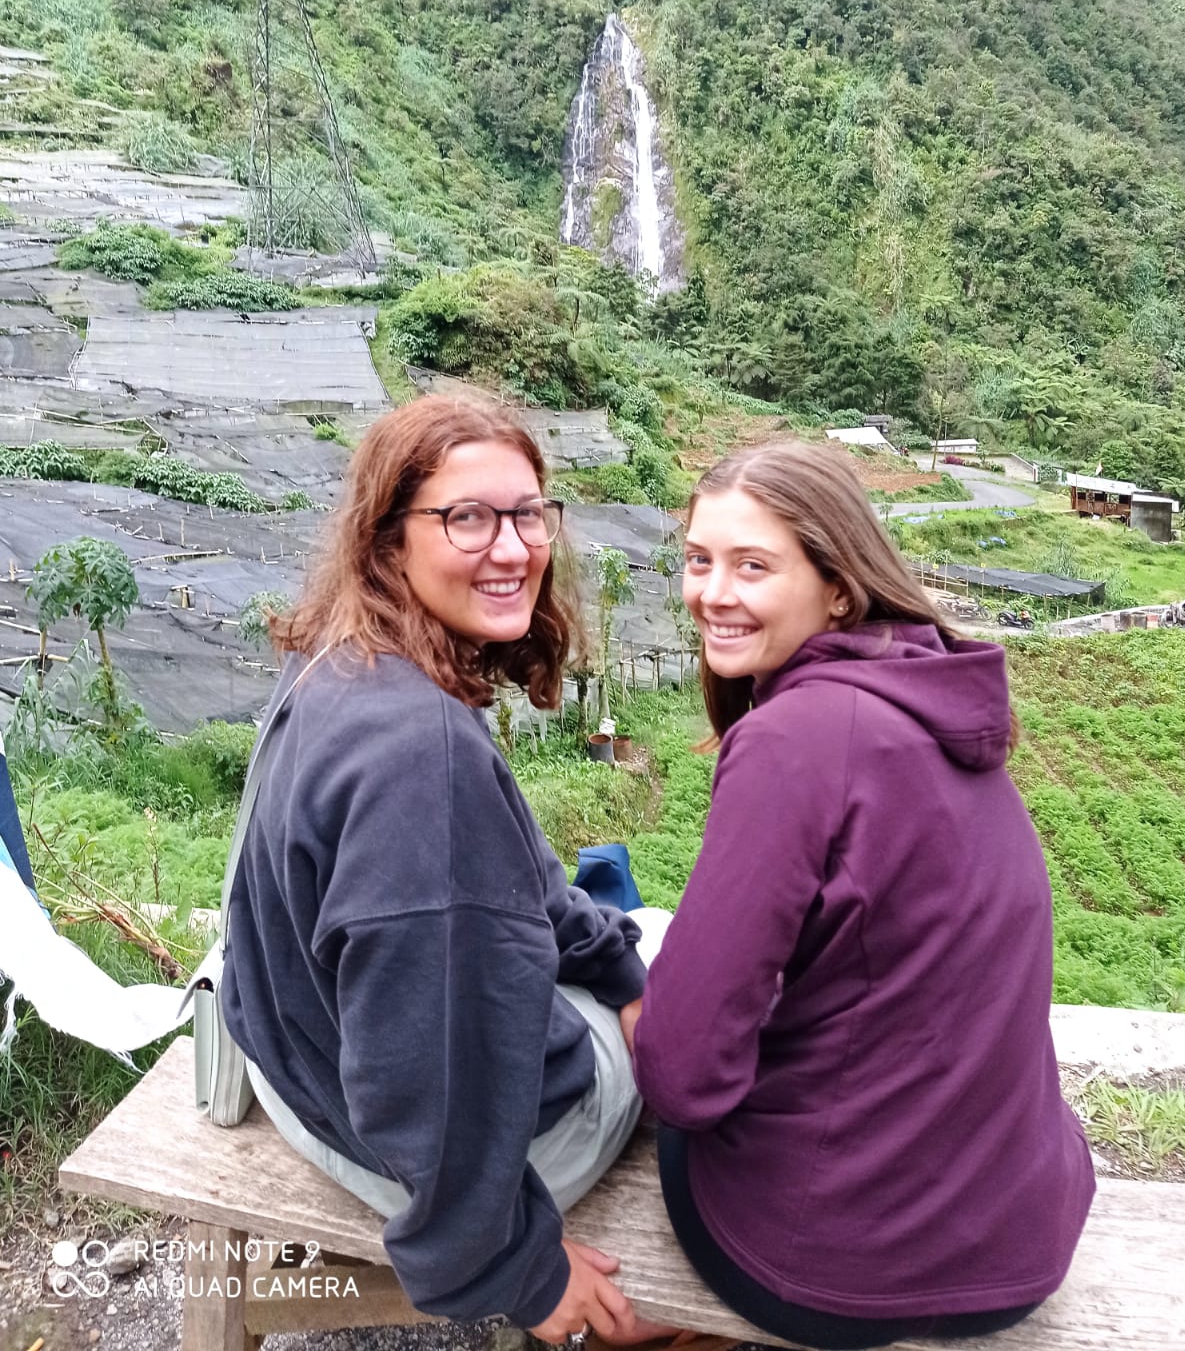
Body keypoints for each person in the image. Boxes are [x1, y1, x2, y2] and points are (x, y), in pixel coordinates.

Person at [624, 441, 1095, 1351]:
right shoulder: (930, 693)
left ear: (837, 588)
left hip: (841, 1260)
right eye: (698, 560)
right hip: (1018, 1235)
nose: (712, 593)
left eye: (753, 565)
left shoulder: (797, 739)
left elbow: (684, 1075)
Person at [221, 395, 652, 1342]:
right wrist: (518, 1269)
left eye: (527, 513)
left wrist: (609, 965)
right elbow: (430, 1070)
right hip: (405, 1147)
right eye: (466, 517)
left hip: (295, 1065)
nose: (511, 547)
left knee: (617, 944)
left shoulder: (341, 653)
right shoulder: (427, 759)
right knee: (673, 965)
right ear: (390, 542)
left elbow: (506, 873)